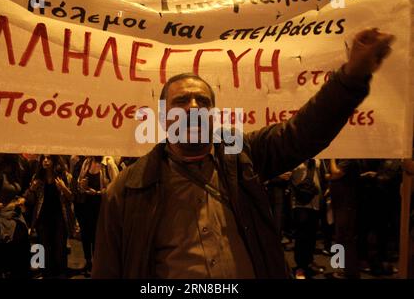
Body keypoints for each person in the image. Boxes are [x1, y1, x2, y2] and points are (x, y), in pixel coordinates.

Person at [92, 28, 394, 279]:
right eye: (182, 101)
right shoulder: (127, 190)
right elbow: (108, 271)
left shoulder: (244, 156)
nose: (194, 108)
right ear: (161, 117)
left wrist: (352, 76)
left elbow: (304, 131)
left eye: (203, 101)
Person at [23, 155, 75, 278]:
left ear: (55, 161)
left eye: (49, 158)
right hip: (42, 217)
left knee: (60, 248)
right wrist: (32, 189)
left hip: (59, 217)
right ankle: (45, 273)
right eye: (43, 159)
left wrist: (63, 188)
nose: (45, 161)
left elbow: (73, 197)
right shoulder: (37, 178)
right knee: (43, 247)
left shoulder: (65, 176)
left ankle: (61, 273)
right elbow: (29, 200)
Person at [77, 156, 116, 276]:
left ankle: (97, 264)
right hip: (86, 204)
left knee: (97, 235)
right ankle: (88, 262)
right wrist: (82, 185)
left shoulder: (108, 163)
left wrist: (98, 193)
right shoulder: (87, 162)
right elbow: (79, 182)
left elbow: (116, 186)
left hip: (100, 206)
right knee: (85, 235)